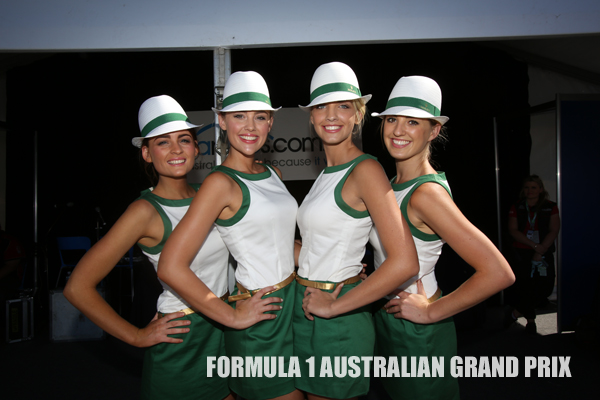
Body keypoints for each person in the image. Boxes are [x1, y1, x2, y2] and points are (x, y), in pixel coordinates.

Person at [64, 95, 273, 400]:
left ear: (196, 148)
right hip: (183, 337)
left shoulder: (212, 192)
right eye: (163, 142)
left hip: (224, 328)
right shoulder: (144, 211)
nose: (176, 149)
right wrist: (136, 336)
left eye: (184, 140)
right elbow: (77, 287)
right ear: (146, 153)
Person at [367, 75, 515, 399]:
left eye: (412, 122)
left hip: (417, 328)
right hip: (392, 318)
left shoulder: (426, 194)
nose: (398, 130)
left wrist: (431, 312)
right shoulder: (393, 183)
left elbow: (498, 272)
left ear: (434, 131)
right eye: (391, 119)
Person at [158, 71, 303, 400]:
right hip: (261, 316)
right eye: (239, 116)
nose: (250, 127)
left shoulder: (272, 172)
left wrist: (330, 267)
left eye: (260, 117)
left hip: (293, 305)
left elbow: (280, 244)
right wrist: (232, 317)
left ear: (270, 123)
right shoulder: (219, 184)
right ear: (222, 121)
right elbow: (170, 266)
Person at [295, 62, 420, 400]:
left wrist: (335, 306)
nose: (331, 116)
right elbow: (318, 246)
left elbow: (405, 262)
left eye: (343, 106)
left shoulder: (365, 169)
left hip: (337, 315)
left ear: (358, 115)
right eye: (321, 107)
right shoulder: (326, 174)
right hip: (307, 307)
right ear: (311, 117)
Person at [506, 175, 560, 334]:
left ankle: (516, 312)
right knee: (525, 287)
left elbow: (554, 230)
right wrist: (534, 246)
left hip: (544, 250)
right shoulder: (517, 206)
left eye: (534, 187)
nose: (530, 191)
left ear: (541, 189)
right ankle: (531, 321)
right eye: (527, 187)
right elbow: (513, 230)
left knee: (546, 287)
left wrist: (540, 249)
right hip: (522, 251)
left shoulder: (551, 206)